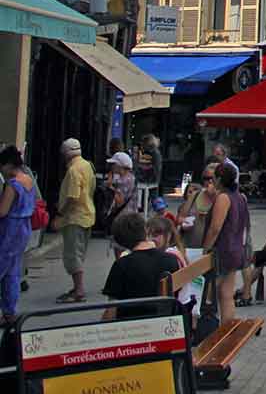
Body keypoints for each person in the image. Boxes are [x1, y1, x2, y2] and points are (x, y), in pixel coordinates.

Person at [100, 212, 179, 321]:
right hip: (164, 324)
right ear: (145, 230)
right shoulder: (171, 260)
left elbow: (111, 310)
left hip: (132, 328)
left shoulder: (121, 265)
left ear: (121, 242)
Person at [201, 163, 248, 322]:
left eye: (213, 178)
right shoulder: (240, 197)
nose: (211, 181)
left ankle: (202, 329)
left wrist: (205, 249)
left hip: (222, 251)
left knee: (207, 293)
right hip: (235, 250)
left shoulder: (223, 197)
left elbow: (215, 228)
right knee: (226, 295)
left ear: (220, 179)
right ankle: (227, 331)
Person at [53, 138, 95, 303]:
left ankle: (79, 290)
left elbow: (72, 197)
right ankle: (77, 288)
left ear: (66, 154)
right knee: (79, 253)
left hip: (75, 217)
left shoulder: (73, 170)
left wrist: (59, 213)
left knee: (73, 255)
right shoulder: (87, 166)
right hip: (87, 214)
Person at [0, 146, 37, 323]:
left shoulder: (12, 184)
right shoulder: (28, 180)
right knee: (13, 272)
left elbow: (2, 211)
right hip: (24, 229)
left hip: (9, 230)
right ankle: (9, 311)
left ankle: (7, 310)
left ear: (8, 165)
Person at [147, 214, 198, 318]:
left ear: (168, 236)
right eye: (148, 235)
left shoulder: (169, 257)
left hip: (175, 309)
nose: (151, 239)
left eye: (156, 235)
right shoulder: (175, 251)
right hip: (182, 304)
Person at [178, 159, 220, 247]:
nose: (209, 181)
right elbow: (180, 217)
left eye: (212, 178)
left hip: (212, 249)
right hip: (190, 246)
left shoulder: (223, 198)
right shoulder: (195, 195)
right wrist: (184, 223)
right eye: (206, 178)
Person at [104, 152, 137, 251]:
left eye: (114, 164)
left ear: (120, 166)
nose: (112, 166)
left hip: (122, 219)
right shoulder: (130, 177)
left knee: (119, 248)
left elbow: (120, 202)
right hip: (129, 216)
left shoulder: (124, 181)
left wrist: (110, 187)